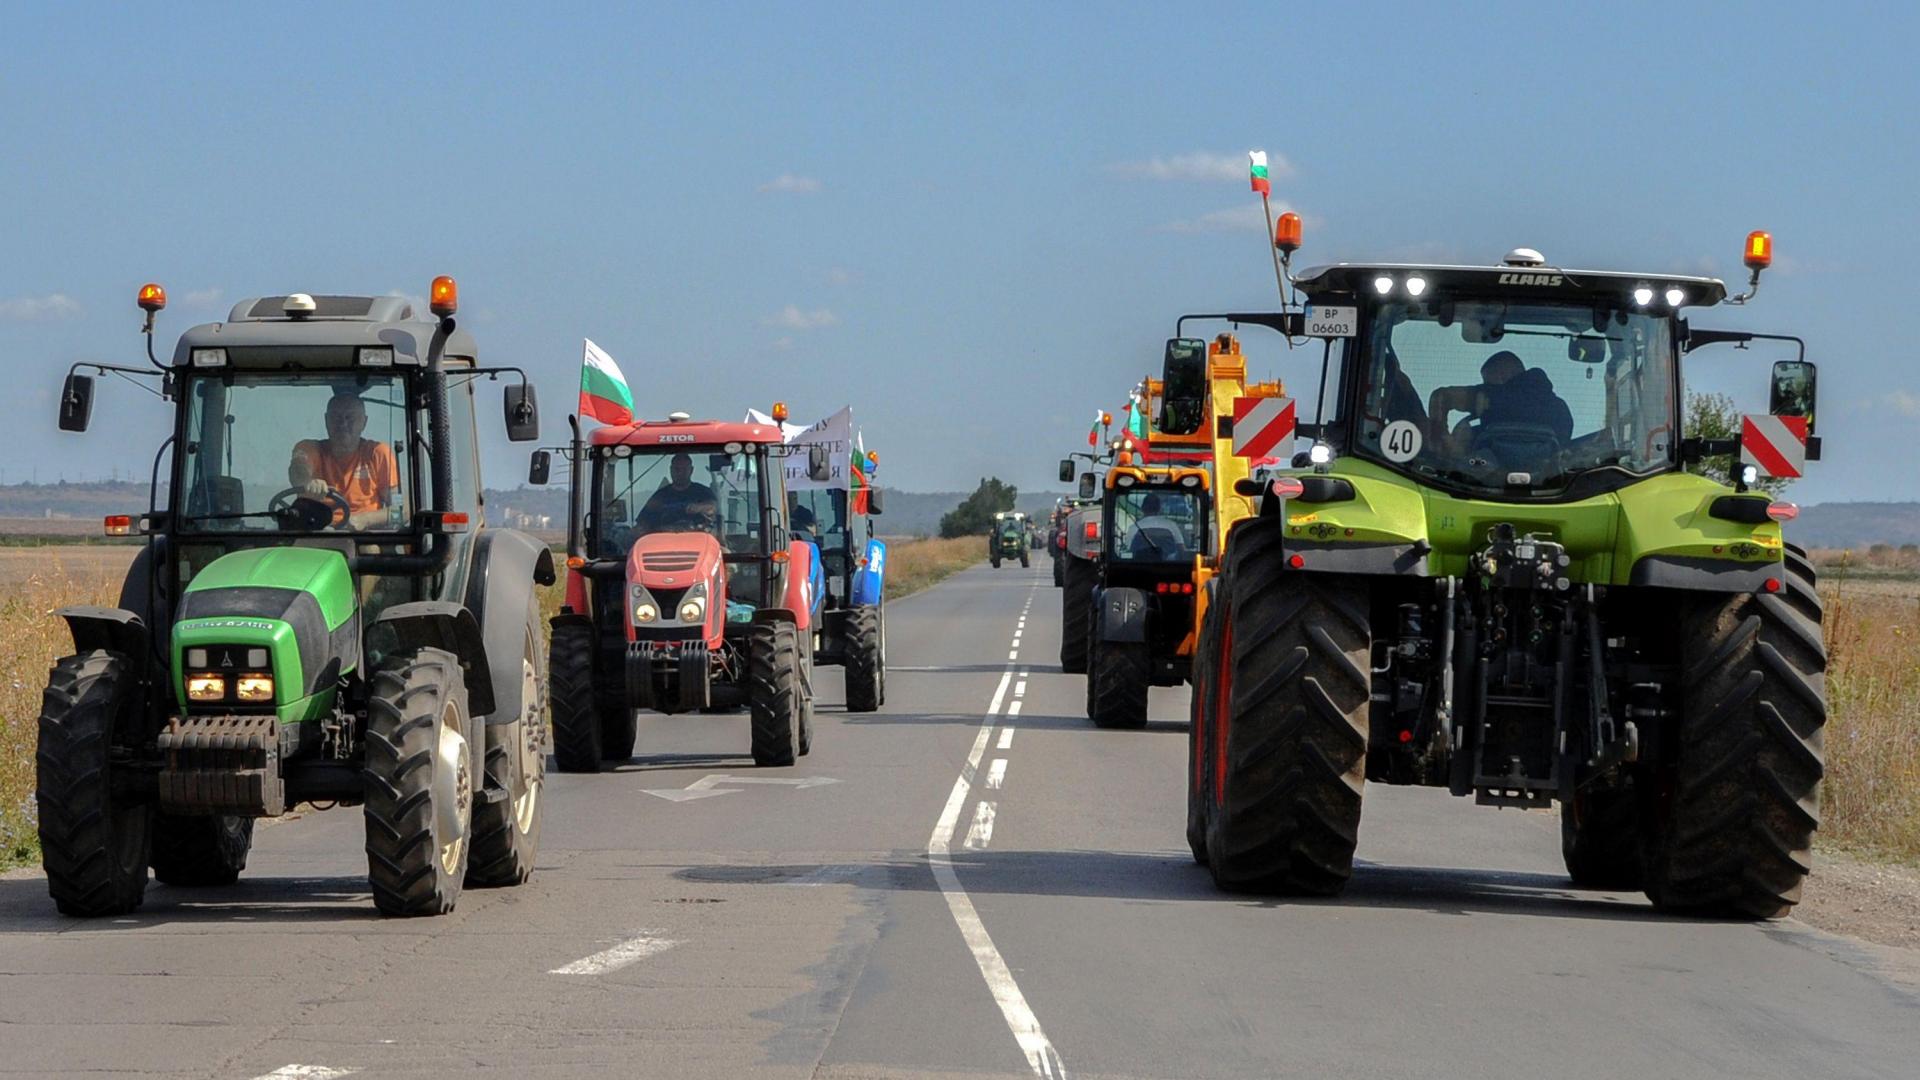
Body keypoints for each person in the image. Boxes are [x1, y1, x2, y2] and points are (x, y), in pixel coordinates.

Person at [1426, 350, 1573, 454]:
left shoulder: (1492, 397)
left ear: (1501, 377)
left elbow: (1441, 397)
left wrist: (1441, 442)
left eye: (1487, 382)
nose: (1485, 386)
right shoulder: (1559, 408)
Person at [288, 392, 399, 529]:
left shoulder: (378, 454)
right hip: (315, 531)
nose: (343, 423)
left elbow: (400, 511)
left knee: (370, 549)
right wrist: (307, 482)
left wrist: (365, 520)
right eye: (336, 417)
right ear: (326, 420)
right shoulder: (310, 448)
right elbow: (298, 470)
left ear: (364, 422)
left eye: (350, 418)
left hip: (363, 538)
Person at [640, 452, 718, 529]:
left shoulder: (704, 492)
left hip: (699, 539)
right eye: (676, 469)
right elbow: (643, 523)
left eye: (684, 469)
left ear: (691, 470)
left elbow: (712, 508)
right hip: (665, 539)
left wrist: (699, 508)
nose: (680, 472)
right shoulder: (659, 497)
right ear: (670, 470)